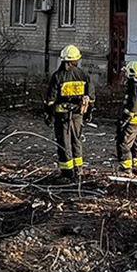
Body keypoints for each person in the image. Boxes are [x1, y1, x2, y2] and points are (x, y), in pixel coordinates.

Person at [46, 45, 93, 181]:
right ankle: (78, 170)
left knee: (64, 143)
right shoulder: (83, 75)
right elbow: (91, 97)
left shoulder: (57, 76)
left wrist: (49, 115)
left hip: (62, 117)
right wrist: (89, 113)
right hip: (78, 116)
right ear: (76, 60)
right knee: (76, 141)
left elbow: (50, 100)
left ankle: (67, 173)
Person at [117, 61, 137, 175]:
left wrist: (125, 119)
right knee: (135, 143)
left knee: (124, 143)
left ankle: (126, 169)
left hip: (132, 121)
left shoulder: (133, 86)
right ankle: (136, 167)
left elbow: (134, 104)